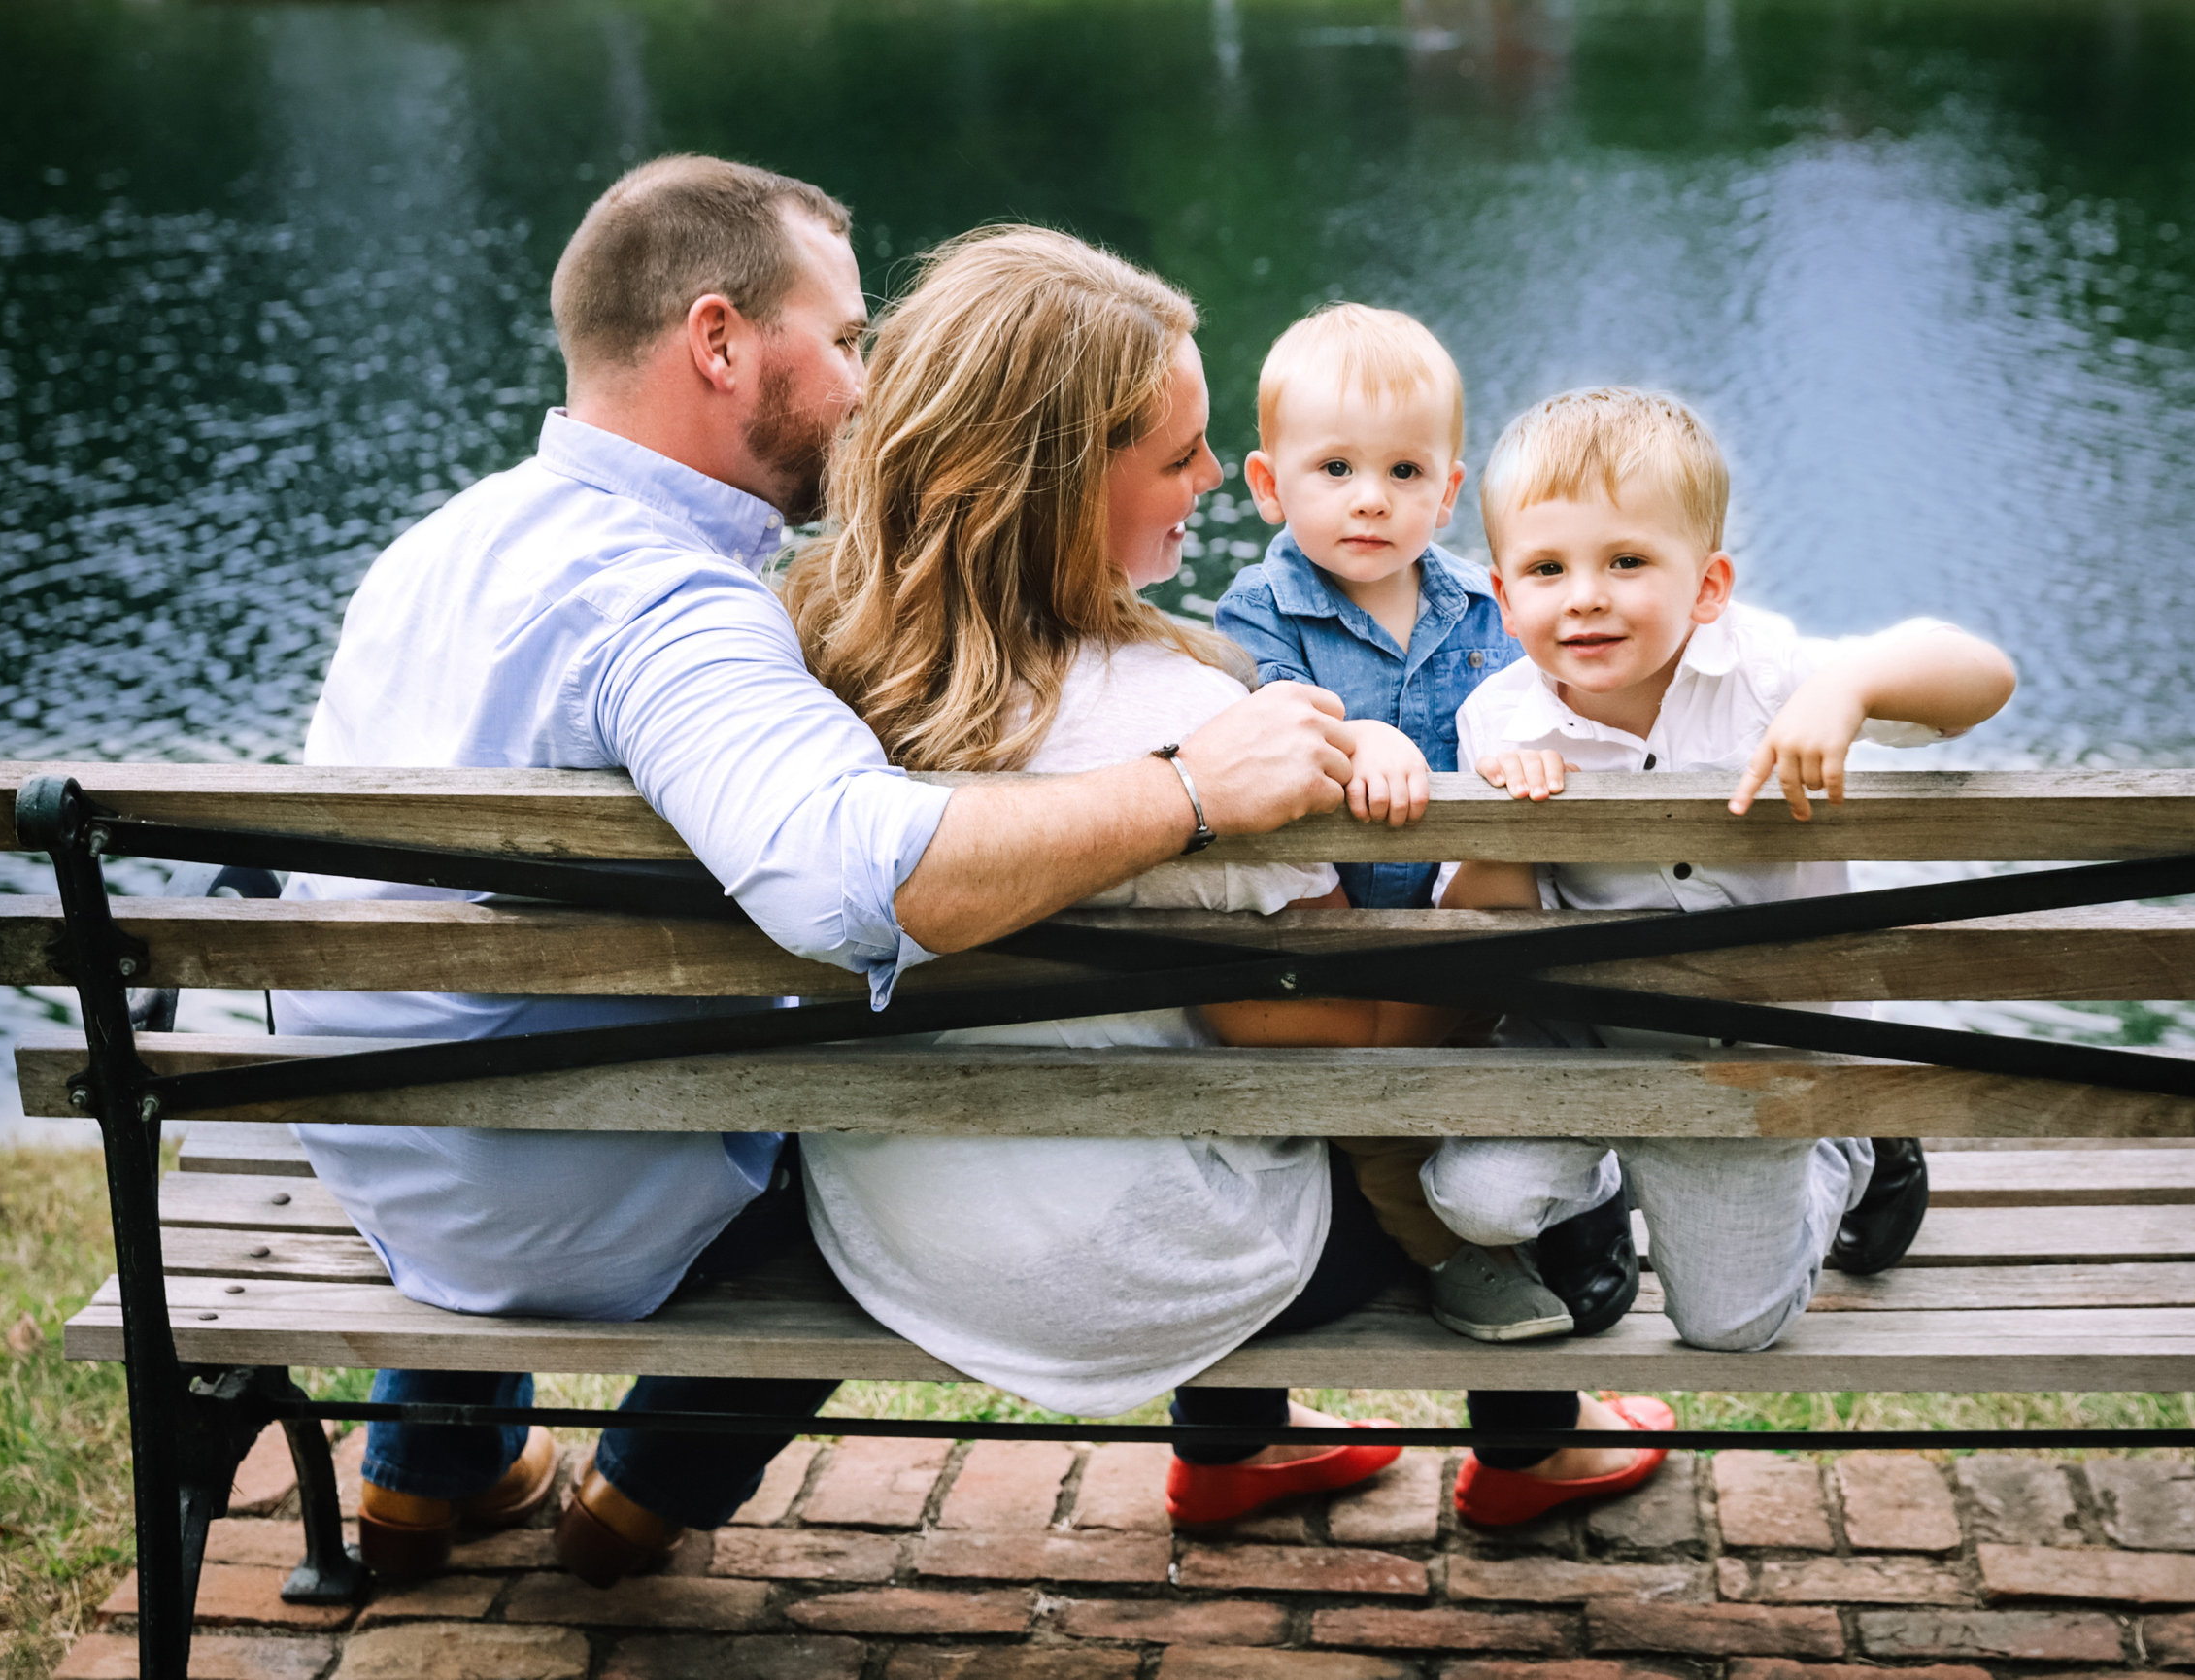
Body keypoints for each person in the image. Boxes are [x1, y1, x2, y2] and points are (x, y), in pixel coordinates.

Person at [269, 157, 1363, 1586]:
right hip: (572, 1193)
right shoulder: (673, 613)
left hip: (378, 1146)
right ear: (718, 342)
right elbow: (857, 887)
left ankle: (438, 1464)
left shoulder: (448, 542)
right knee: (881, 1116)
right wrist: (1187, 790)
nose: (865, 387)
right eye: (845, 341)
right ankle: (638, 1497)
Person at [782, 224, 1675, 1531]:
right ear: (1058, 483)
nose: (1212, 476)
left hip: (887, 1228)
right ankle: (1541, 1449)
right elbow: (1337, 1054)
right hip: (1115, 1267)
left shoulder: (806, 651)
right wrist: (1495, 861)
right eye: (1176, 454)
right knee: (1471, 1136)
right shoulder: (1185, 722)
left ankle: (1237, 1451)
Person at [1422, 386, 2017, 1520]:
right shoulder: (1502, 719)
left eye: (1628, 561)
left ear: (1707, 585)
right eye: (1546, 569)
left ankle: (1850, 1144)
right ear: (1502, 595)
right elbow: (1492, 930)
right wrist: (1501, 826)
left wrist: (1848, 689)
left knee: (1731, 1325)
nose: (1585, 597)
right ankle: (1608, 1176)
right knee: (1478, 1199)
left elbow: (1979, 675)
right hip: (1584, 1038)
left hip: (1751, 1046)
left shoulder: (1766, 673)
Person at [1211, 303, 1638, 1348]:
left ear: (1449, 491)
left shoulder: (1491, 608)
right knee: (1381, 1124)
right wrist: (1357, 737)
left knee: (1515, 1033)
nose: (1371, 500)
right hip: (1344, 944)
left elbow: (1552, 709)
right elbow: (1267, 722)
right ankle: (1459, 1261)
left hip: (1475, 934)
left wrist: (1523, 750)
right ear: (1270, 485)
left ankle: (1573, 1199)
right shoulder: (1258, 609)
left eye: (1405, 473)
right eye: (1336, 469)